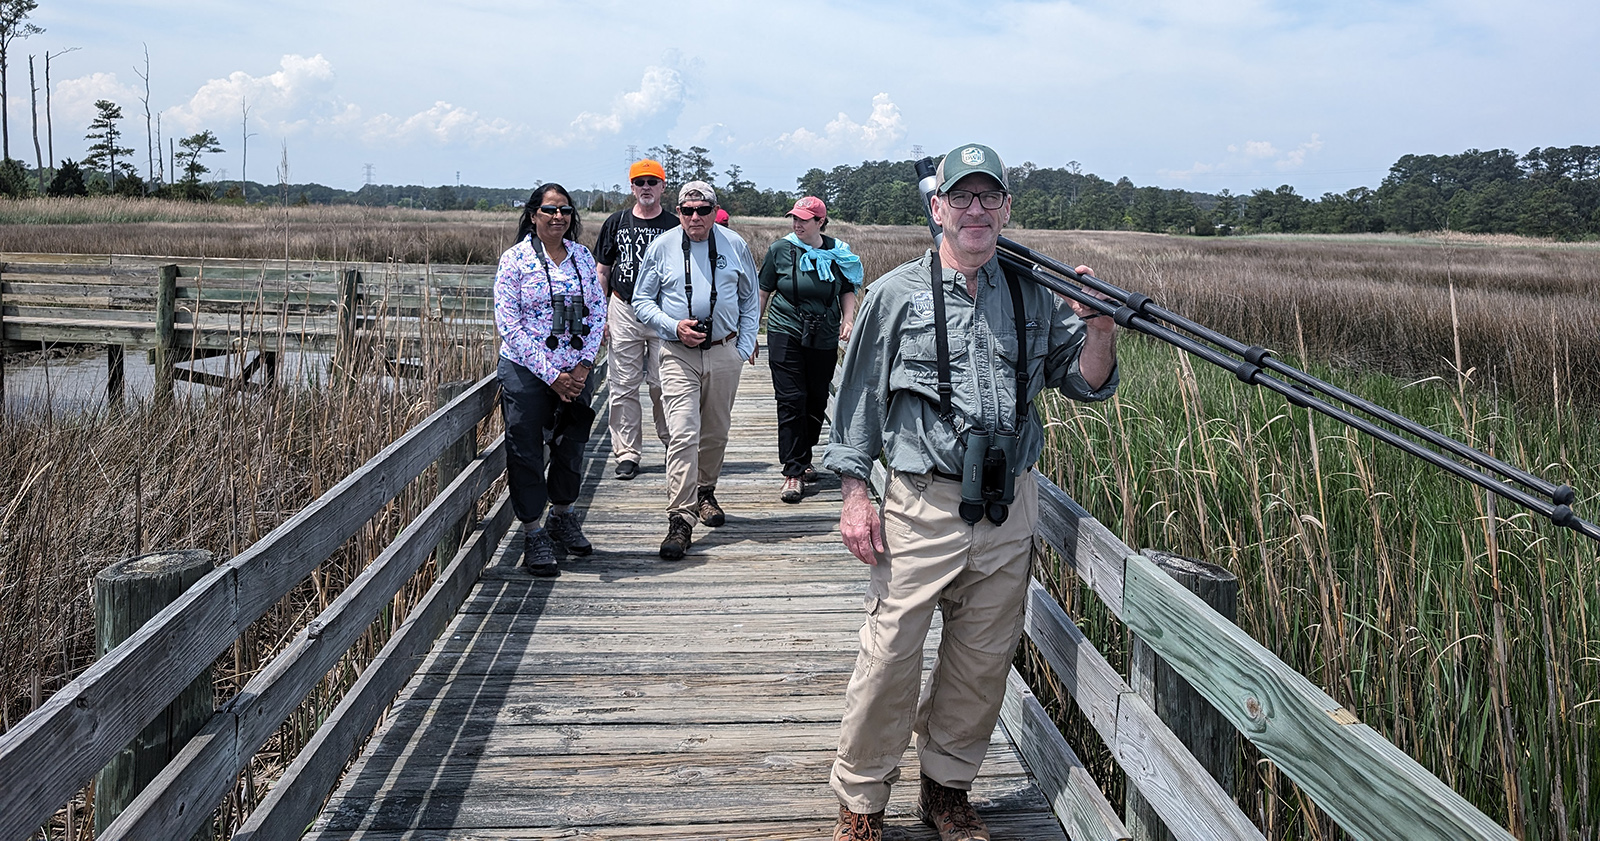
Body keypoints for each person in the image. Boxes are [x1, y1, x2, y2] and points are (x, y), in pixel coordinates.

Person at [822, 144, 1119, 841]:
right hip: (921, 502)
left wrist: (1100, 325)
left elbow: (1086, 380)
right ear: (939, 208)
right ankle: (861, 798)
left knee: (982, 658)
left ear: (1007, 209)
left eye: (990, 197)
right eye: (963, 197)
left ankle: (947, 789)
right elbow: (855, 399)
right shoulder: (896, 294)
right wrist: (855, 495)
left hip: (1008, 503)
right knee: (891, 649)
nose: (977, 209)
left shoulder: (1033, 292)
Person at [631, 180, 761, 560]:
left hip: (723, 351)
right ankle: (680, 518)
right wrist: (673, 327)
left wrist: (741, 345)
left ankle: (705, 491)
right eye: (686, 210)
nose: (694, 217)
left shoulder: (734, 245)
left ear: (713, 211)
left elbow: (750, 299)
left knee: (716, 431)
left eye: (702, 210)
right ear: (679, 211)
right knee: (683, 432)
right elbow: (641, 299)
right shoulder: (662, 247)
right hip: (677, 353)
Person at [493, 183, 608, 577]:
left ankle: (563, 515)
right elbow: (508, 324)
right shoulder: (515, 261)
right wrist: (551, 374)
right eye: (549, 210)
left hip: (576, 373)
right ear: (532, 215)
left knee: (570, 445)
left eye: (565, 210)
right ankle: (534, 531)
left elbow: (598, 313)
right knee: (525, 450)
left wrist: (583, 367)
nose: (558, 217)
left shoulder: (581, 256)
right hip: (528, 371)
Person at [757, 196, 861, 504]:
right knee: (792, 399)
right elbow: (763, 292)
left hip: (824, 333)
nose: (797, 224)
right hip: (784, 329)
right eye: (794, 218)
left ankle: (804, 456)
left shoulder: (839, 253)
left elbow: (847, 288)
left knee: (816, 400)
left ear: (820, 222)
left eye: (804, 219)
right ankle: (793, 471)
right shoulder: (780, 250)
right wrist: (752, 332)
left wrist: (848, 320)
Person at [595, 159, 678, 481]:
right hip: (624, 307)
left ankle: (674, 446)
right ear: (631, 187)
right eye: (640, 182)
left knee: (665, 384)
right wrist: (600, 315)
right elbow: (602, 271)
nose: (646, 187)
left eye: (652, 182)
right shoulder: (616, 222)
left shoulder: (674, 224)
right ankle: (627, 453)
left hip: (662, 313)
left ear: (662, 187)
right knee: (623, 386)